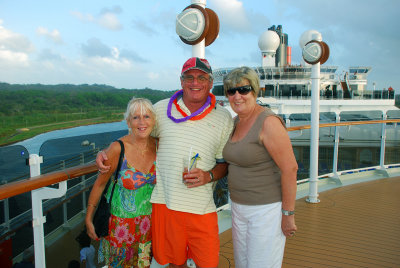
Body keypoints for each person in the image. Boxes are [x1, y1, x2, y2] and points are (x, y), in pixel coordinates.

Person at [97, 57, 233, 268]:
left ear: (210, 81)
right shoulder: (161, 109)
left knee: (209, 263)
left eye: (201, 77)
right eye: (189, 77)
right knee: (174, 263)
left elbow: (224, 163)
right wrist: (105, 151)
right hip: (165, 204)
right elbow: (137, 135)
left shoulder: (223, 116)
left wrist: (208, 176)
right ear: (181, 81)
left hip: (202, 208)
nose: (195, 82)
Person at [222, 66, 298, 268]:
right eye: (231, 91)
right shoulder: (236, 121)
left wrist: (288, 215)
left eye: (243, 90)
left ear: (254, 91)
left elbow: (290, 169)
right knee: (243, 263)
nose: (237, 96)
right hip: (238, 207)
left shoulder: (268, 122)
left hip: (266, 210)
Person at [86, 98, 157, 267]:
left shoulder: (158, 145)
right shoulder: (118, 148)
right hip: (121, 227)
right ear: (128, 121)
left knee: (144, 265)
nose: (142, 122)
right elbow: (100, 184)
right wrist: (89, 218)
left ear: (153, 120)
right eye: (135, 117)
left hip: (149, 224)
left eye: (146, 116)